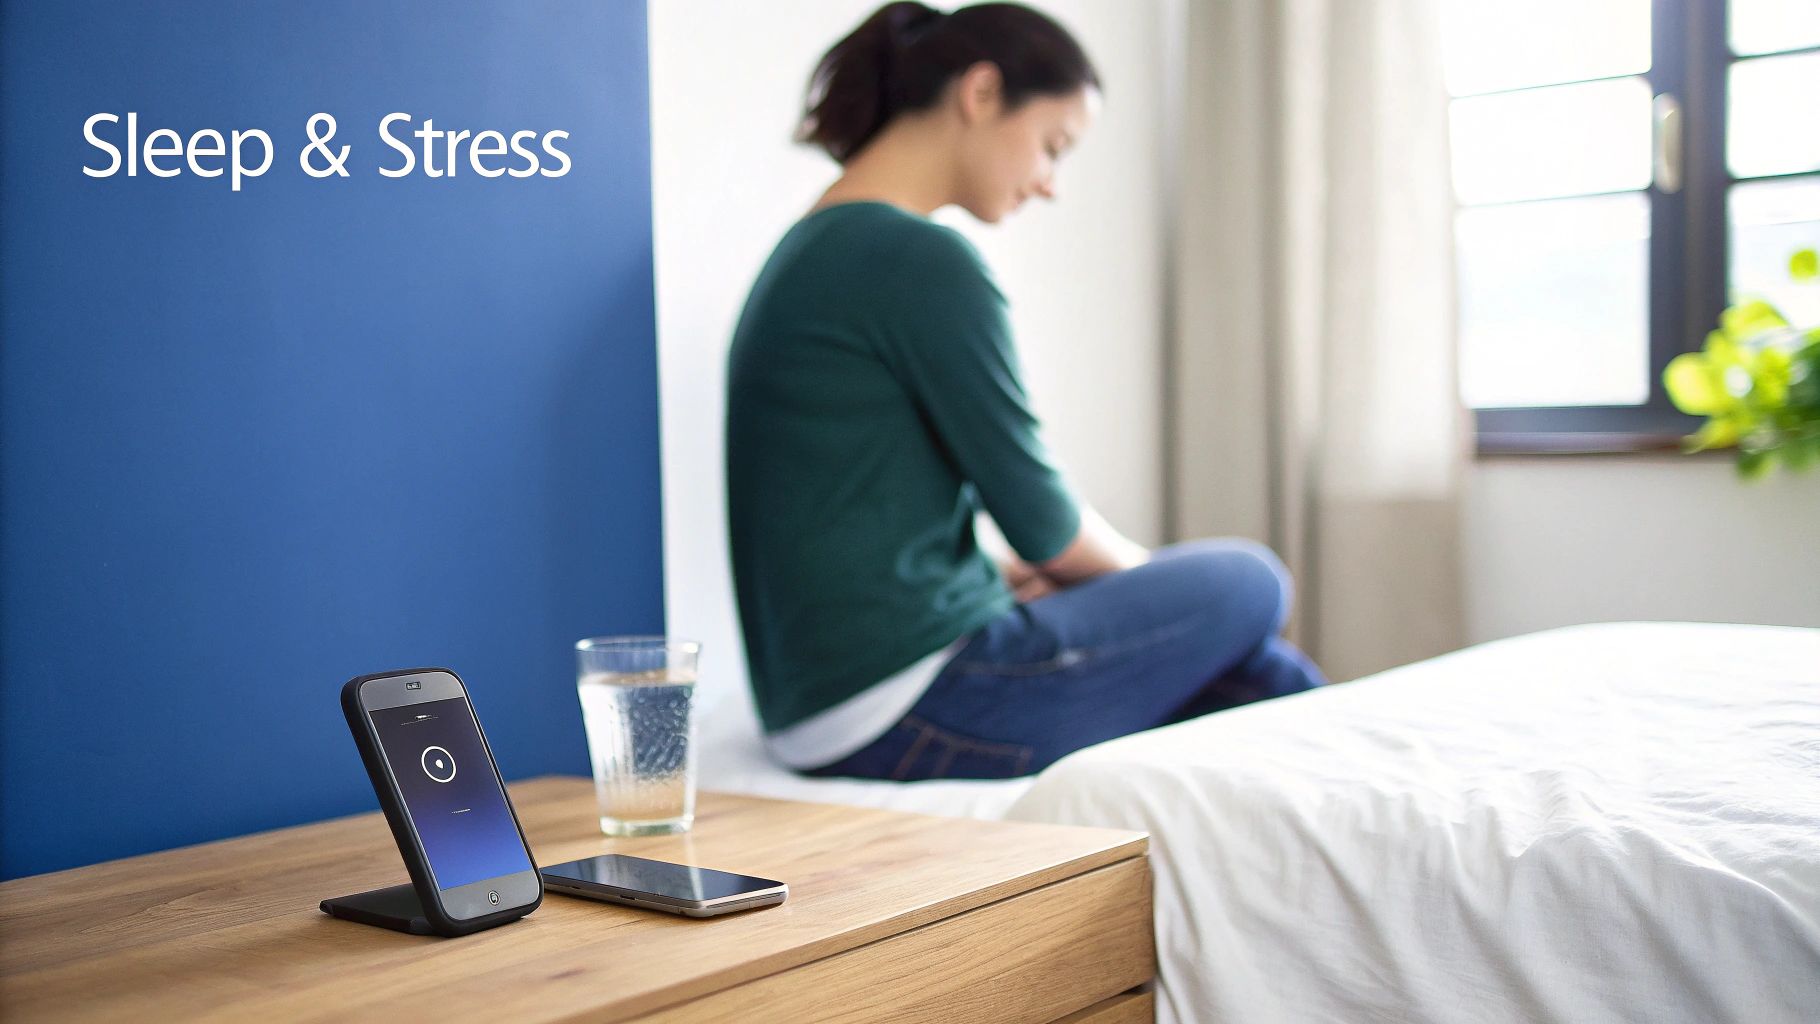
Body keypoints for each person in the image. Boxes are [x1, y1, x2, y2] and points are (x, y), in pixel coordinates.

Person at [726, 1, 1326, 782]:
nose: (1050, 184)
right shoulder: (915, 259)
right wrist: (1158, 593)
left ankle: (1342, 787)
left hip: (820, 707)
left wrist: (1013, 576)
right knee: (1248, 583)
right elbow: (1047, 524)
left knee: (1259, 679)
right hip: (913, 704)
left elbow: (866, 512)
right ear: (980, 94)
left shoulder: (815, 248)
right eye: (1053, 145)